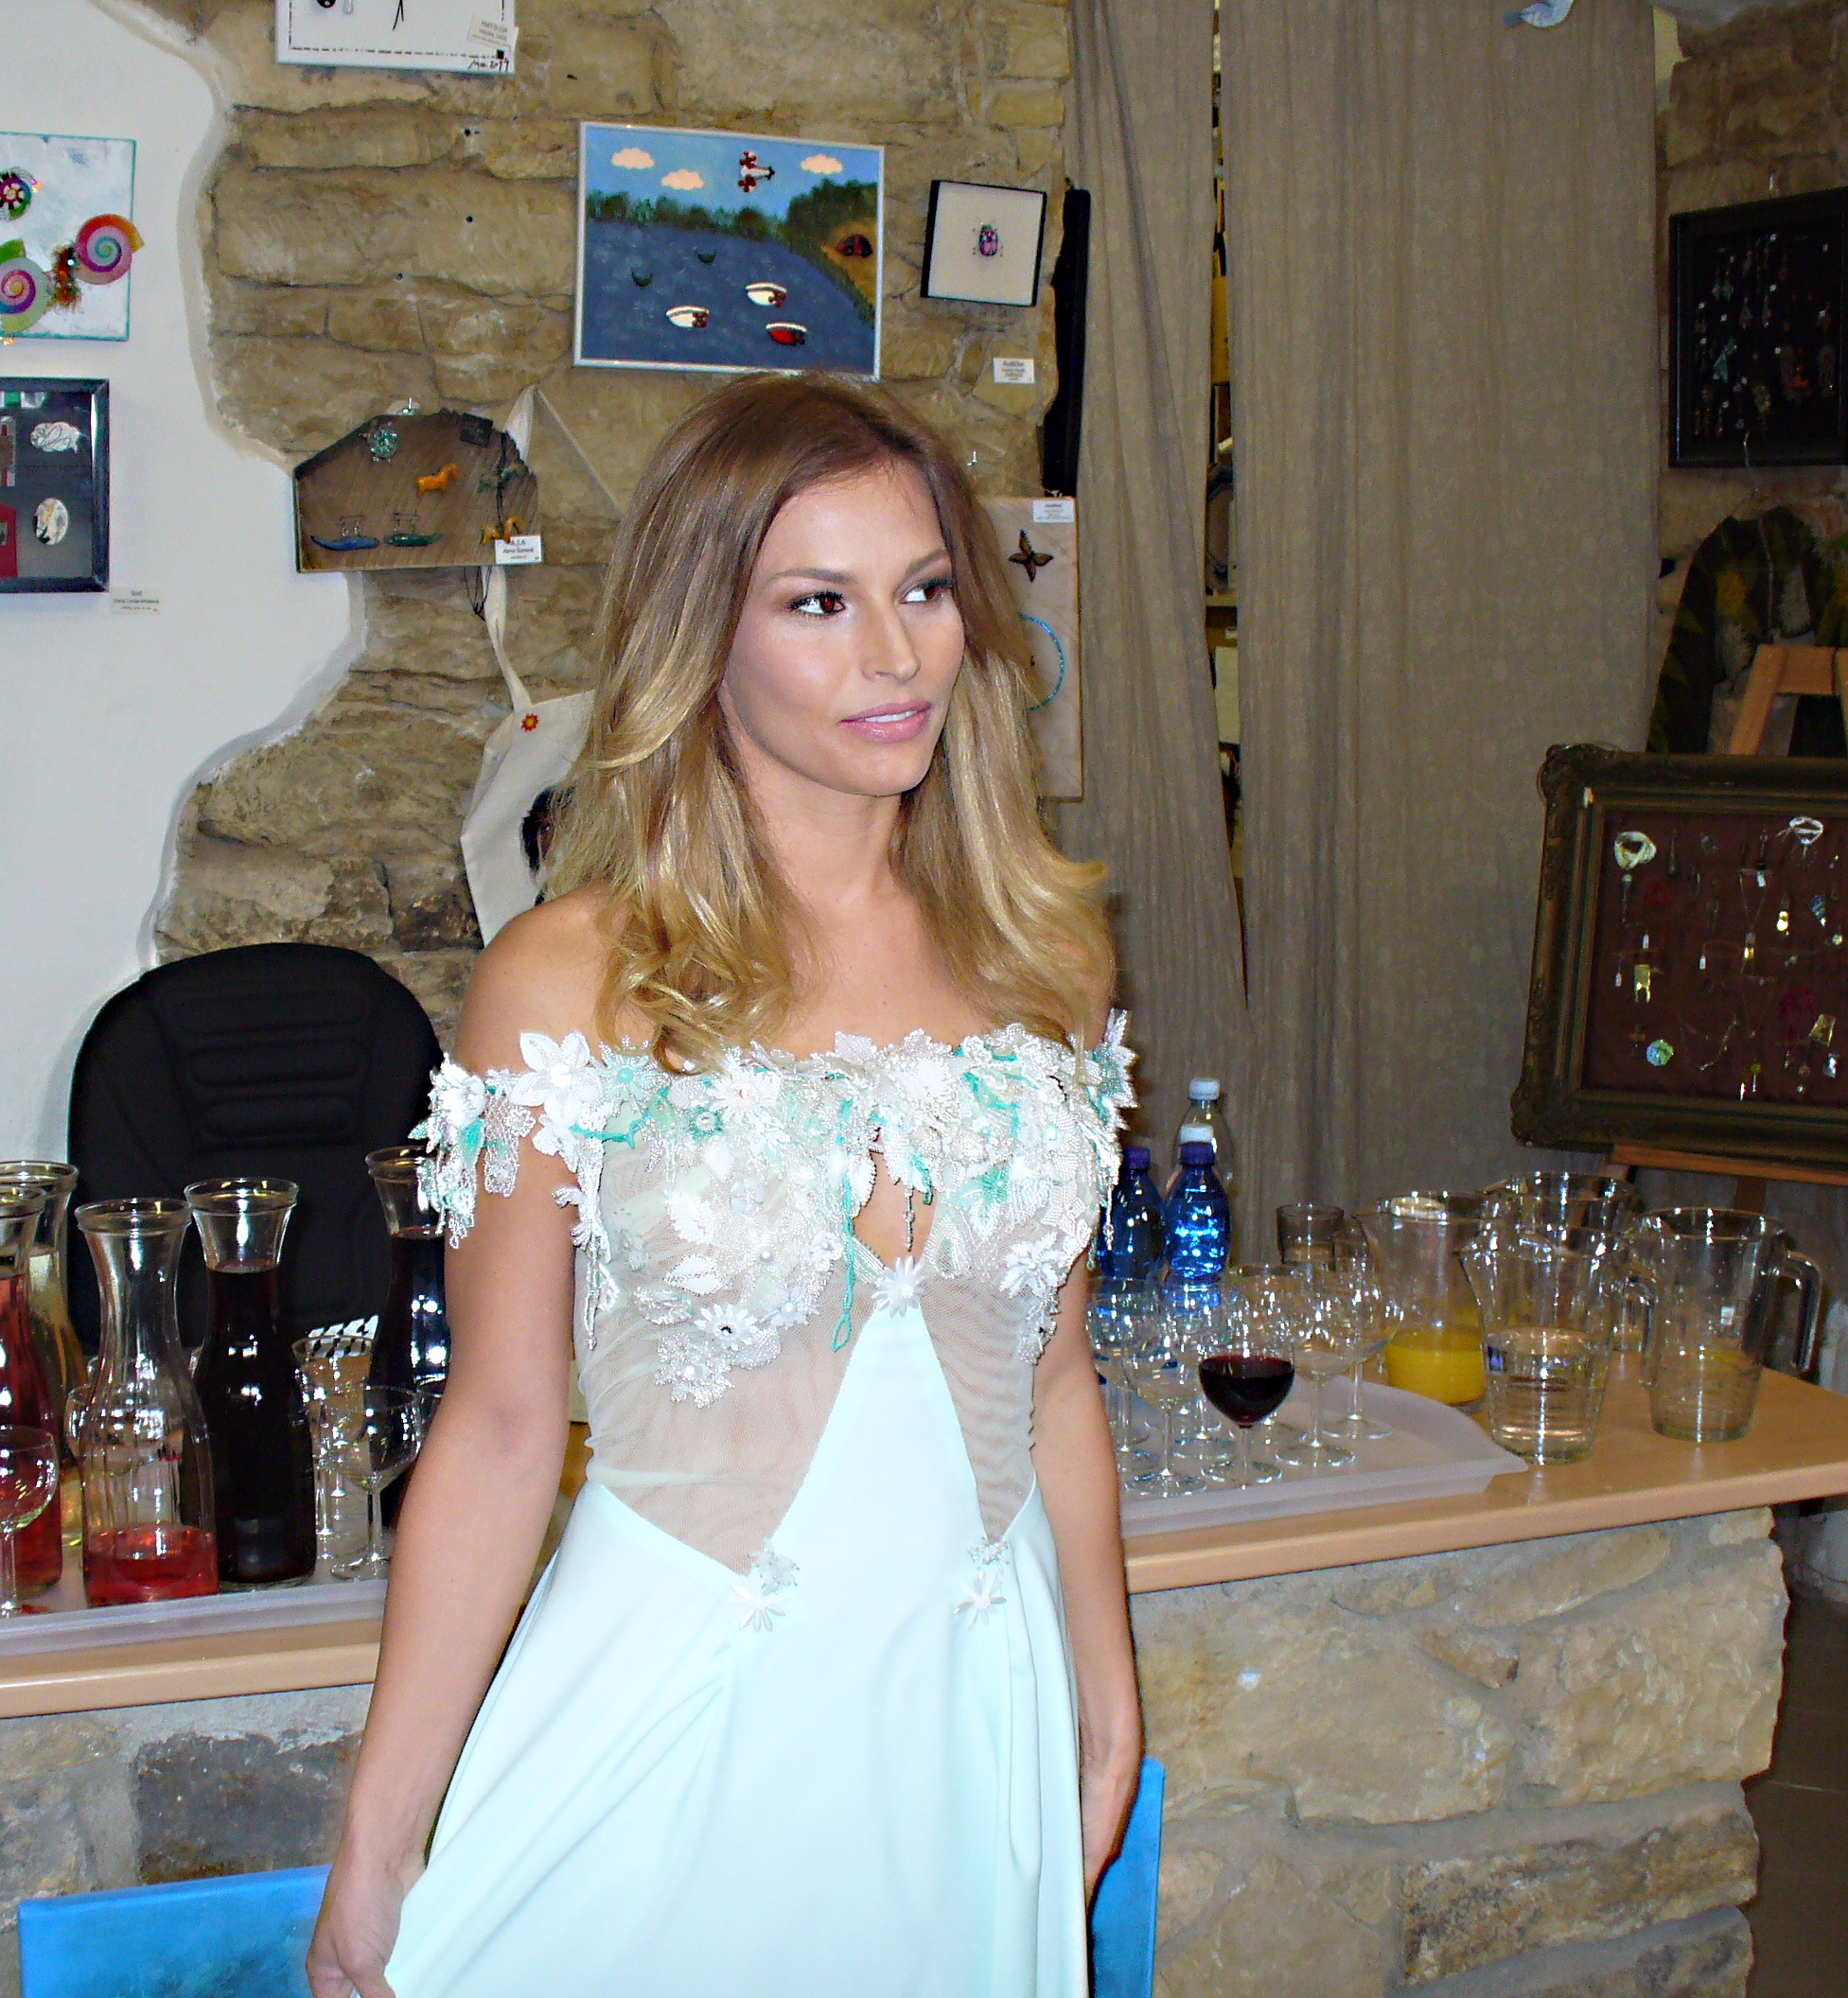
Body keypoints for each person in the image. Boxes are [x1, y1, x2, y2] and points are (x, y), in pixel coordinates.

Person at [308, 373, 1139, 1998]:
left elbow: (1053, 1379)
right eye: (819, 603)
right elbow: (500, 1427)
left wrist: (1105, 1695)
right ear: (705, 636)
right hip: (670, 1702)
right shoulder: (567, 980)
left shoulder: (1046, 957)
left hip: (967, 1719)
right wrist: (379, 1833)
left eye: (924, 591)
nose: (895, 656)